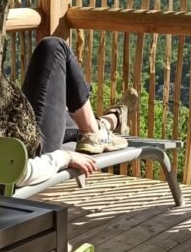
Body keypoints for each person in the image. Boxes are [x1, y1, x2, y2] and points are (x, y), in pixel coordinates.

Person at [16, 36, 138, 187]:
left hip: (19, 138)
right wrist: (66, 157)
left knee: (69, 119)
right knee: (54, 47)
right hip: (29, 151)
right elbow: (20, 172)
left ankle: (113, 118)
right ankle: (97, 129)